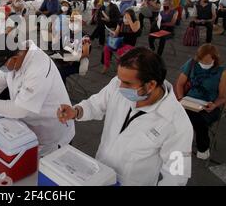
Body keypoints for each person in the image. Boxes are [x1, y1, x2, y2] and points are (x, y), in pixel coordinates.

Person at [58, 47, 193, 185]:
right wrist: (76, 111)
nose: (120, 86)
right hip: (98, 174)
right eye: (119, 79)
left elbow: (176, 176)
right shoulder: (119, 84)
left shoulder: (177, 124)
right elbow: (96, 104)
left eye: (127, 83)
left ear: (151, 84)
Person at [0, 35, 76, 156]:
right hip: (31, 130)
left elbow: (20, 109)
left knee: (48, 171)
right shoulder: (12, 57)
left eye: (0, 66)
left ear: (15, 58)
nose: (0, 69)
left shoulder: (38, 68)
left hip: (53, 135)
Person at [175, 44, 226, 160]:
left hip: (208, 105)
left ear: (214, 59)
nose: (203, 63)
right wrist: (180, 98)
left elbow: (223, 97)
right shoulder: (192, 64)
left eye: (207, 62)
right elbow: (180, 84)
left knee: (198, 120)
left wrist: (214, 105)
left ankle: (203, 147)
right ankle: (178, 142)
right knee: (174, 115)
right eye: (201, 61)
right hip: (188, 100)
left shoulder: (222, 72)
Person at [102, 9, 140, 74]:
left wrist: (129, 20)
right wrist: (113, 34)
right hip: (119, 42)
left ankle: (120, 68)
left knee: (120, 51)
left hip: (129, 44)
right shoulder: (121, 22)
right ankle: (106, 65)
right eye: (124, 16)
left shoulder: (136, 22)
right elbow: (116, 32)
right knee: (106, 48)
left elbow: (134, 30)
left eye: (127, 16)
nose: (125, 18)